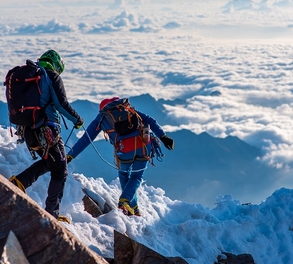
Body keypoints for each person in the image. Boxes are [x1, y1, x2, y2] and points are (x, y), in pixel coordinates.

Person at [9, 49, 84, 224]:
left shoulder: (29, 76)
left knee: (53, 163)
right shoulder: (51, 76)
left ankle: (20, 182)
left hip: (28, 130)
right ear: (57, 65)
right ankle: (52, 214)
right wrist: (77, 119)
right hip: (46, 130)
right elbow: (61, 104)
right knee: (61, 170)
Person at [66, 97, 174, 216]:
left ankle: (126, 201)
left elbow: (86, 139)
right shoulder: (127, 109)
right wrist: (164, 137)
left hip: (124, 151)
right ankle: (132, 206)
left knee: (124, 175)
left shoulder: (101, 117)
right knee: (136, 176)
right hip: (144, 147)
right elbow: (151, 121)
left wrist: (70, 156)